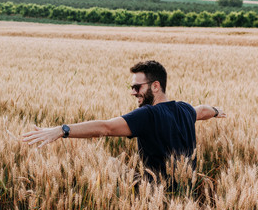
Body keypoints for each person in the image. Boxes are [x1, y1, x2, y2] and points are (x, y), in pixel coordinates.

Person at [22, 60, 226, 178]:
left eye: (137, 87)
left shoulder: (148, 114)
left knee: (105, 162)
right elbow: (203, 110)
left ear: (155, 86)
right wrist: (217, 111)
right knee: (113, 161)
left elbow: (106, 128)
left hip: (153, 193)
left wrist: (62, 130)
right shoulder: (184, 109)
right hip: (185, 189)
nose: (133, 93)